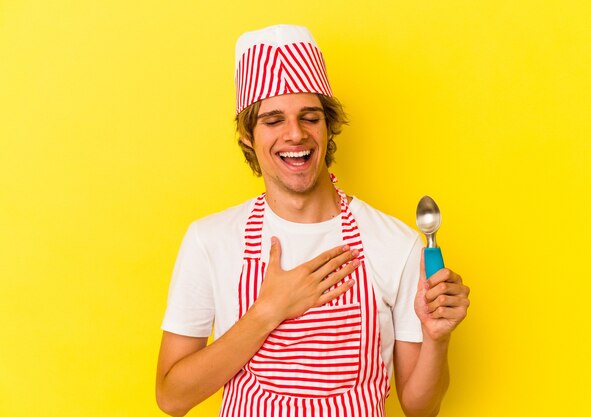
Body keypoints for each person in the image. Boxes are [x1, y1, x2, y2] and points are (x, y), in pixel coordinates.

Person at [156, 24, 470, 417]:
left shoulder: (396, 243)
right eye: (273, 120)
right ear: (248, 138)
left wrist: (437, 338)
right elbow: (171, 397)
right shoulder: (211, 240)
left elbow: (419, 408)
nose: (295, 134)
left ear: (327, 127)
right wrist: (268, 311)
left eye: (310, 117)